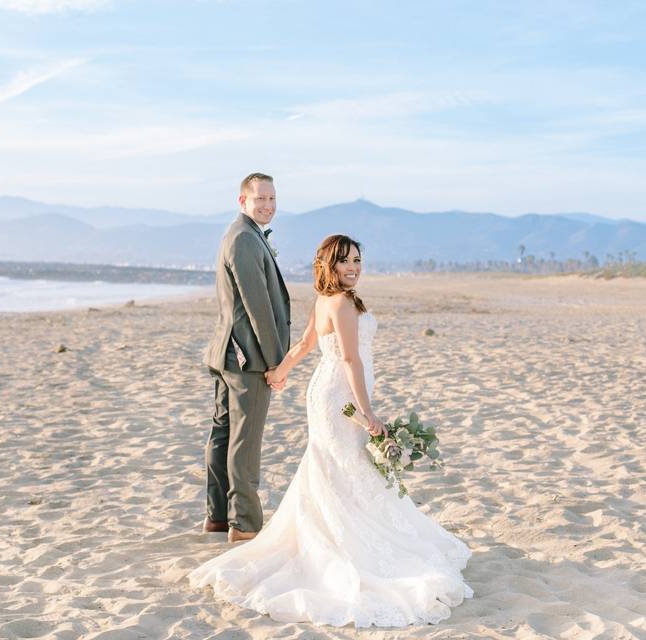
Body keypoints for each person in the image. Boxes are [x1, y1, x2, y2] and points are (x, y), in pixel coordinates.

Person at [189, 235, 473, 628]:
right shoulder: (338, 303)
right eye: (345, 261)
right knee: (344, 469)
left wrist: (280, 372)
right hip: (340, 397)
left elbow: (306, 343)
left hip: (329, 393)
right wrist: (367, 412)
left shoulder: (330, 300)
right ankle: (342, 546)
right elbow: (351, 359)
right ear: (329, 265)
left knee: (337, 469)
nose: (354, 266)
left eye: (357, 259)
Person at [202, 172, 291, 543]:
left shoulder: (245, 235)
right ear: (243, 201)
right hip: (247, 358)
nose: (267, 205)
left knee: (224, 434)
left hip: (228, 353)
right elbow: (257, 308)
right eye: (260, 199)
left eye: (271, 199)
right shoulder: (243, 239)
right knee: (243, 440)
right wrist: (275, 362)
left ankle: (218, 518)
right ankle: (244, 524)